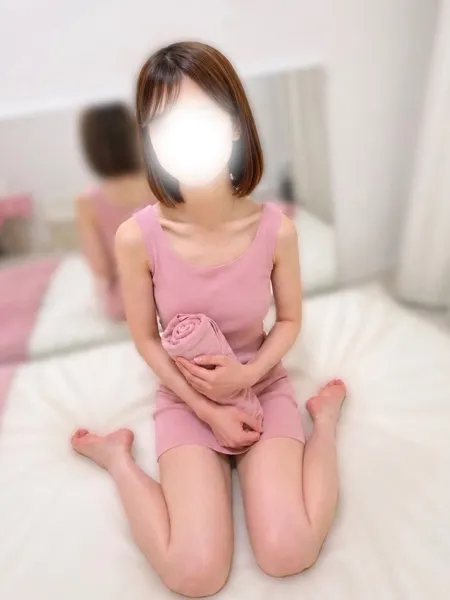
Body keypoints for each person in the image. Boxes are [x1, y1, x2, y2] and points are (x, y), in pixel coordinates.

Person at [71, 42, 346, 597]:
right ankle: (117, 457)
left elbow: (289, 320)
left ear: (235, 125)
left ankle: (325, 421)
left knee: (289, 550)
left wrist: (247, 376)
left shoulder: (277, 230)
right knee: (193, 574)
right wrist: (207, 407)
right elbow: (146, 339)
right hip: (186, 397)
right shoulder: (137, 237)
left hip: (260, 382)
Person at [76, 102, 156, 320]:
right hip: (175, 291)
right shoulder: (159, 185)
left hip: (128, 301)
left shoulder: (88, 202)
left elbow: (101, 269)